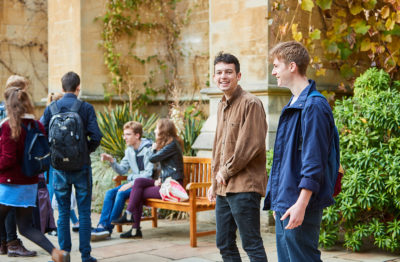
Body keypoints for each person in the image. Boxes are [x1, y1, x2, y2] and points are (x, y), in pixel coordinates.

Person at [264, 41, 336, 262]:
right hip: (286, 201)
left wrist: (300, 204)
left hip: (299, 204)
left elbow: (314, 162)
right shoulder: (294, 103)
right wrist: (277, 199)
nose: (274, 72)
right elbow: (285, 161)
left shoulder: (314, 106)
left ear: (292, 66)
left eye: (277, 66)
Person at [207, 52, 268, 262]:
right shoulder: (221, 104)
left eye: (228, 72)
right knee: (223, 243)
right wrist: (214, 181)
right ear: (214, 77)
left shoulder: (251, 103)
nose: (223, 76)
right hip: (224, 187)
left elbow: (250, 145)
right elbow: (219, 147)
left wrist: (225, 171)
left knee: (251, 244)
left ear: (238, 75)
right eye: (219, 72)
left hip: (245, 186)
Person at [0, 85, 69, 262]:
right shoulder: (37, 125)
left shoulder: (10, 126)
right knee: (25, 227)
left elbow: (8, 159)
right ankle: (56, 253)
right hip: (30, 182)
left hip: (10, 183)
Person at [41, 71, 102, 262]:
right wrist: (85, 151)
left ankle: (64, 254)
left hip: (59, 168)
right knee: (84, 213)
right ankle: (86, 256)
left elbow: (42, 134)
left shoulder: (51, 108)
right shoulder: (85, 108)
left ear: (62, 88)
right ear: (78, 88)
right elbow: (97, 136)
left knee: (63, 212)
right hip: (81, 167)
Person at [121, 118, 184, 239]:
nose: (155, 131)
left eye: (157, 128)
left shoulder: (172, 145)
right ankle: (131, 221)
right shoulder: (169, 144)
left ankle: (133, 224)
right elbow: (166, 166)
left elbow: (152, 159)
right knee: (139, 182)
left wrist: (153, 149)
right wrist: (160, 177)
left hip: (173, 187)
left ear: (163, 131)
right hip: (166, 183)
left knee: (137, 192)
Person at [91, 121, 154, 241]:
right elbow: (122, 170)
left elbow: (148, 174)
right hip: (135, 184)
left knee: (120, 193)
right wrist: (112, 161)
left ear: (137, 135)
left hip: (145, 186)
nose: (125, 137)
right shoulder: (129, 150)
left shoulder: (148, 149)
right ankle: (102, 225)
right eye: (124, 134)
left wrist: (131, 181)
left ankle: (107, 229)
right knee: (110, 193)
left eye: (128, 134)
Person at [0, 75, 37, 257]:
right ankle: (11, 242)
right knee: (9, 206)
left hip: (7, 167)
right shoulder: (11, 114)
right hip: (10, 169)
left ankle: (5, 244)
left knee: (6, 206)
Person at [41, 92, 80, 234]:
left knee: (58, 191)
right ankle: (51, 226)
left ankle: (74, 221)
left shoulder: (46, 115)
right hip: (60, 159)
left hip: (50, 158)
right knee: (54, 191)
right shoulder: (62, 115)